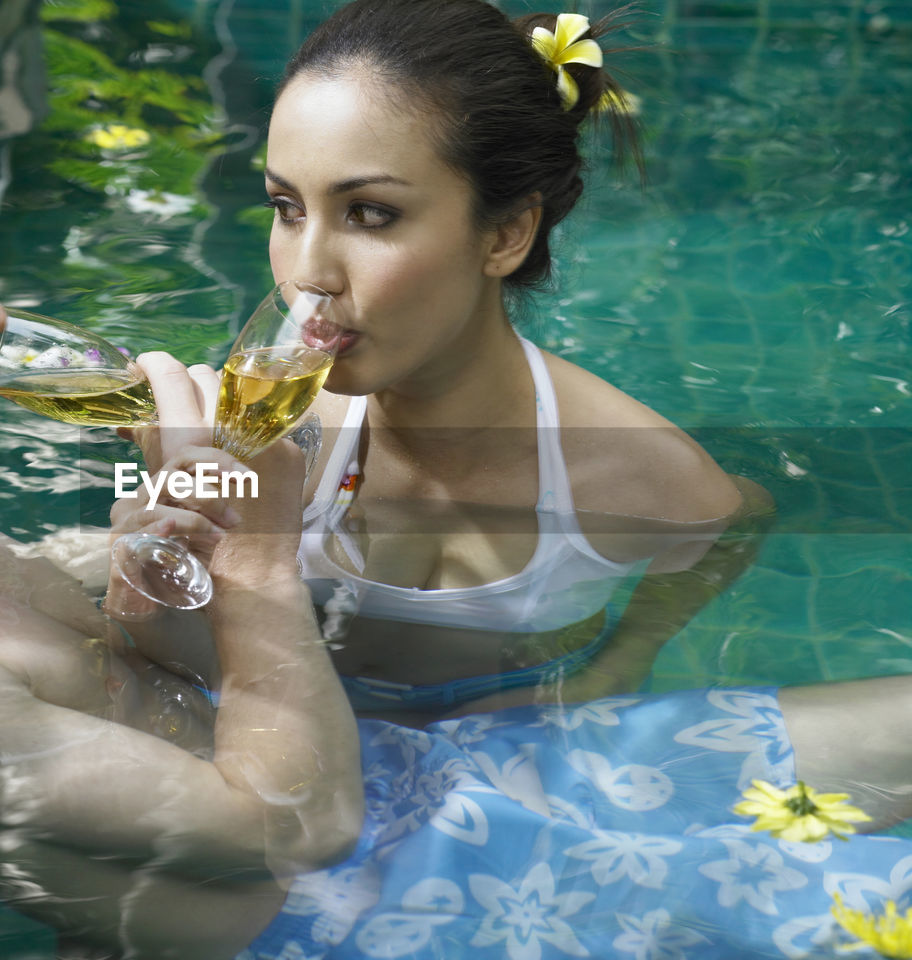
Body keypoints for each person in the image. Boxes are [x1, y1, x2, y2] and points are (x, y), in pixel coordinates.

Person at [0, 54, 912, 960]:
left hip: (437, 778)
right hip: (408, 917)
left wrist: (168, 544)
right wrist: (251, 553)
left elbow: (143, 671)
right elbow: (294, 833)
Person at [128, 0, 773, 726]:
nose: (308, 274)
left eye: (370, 213)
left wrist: (623, 661)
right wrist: (152, 546)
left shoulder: (629, 469)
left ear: (507, 233)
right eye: (287, 207)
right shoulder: (265, 435)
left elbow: (737, 522)